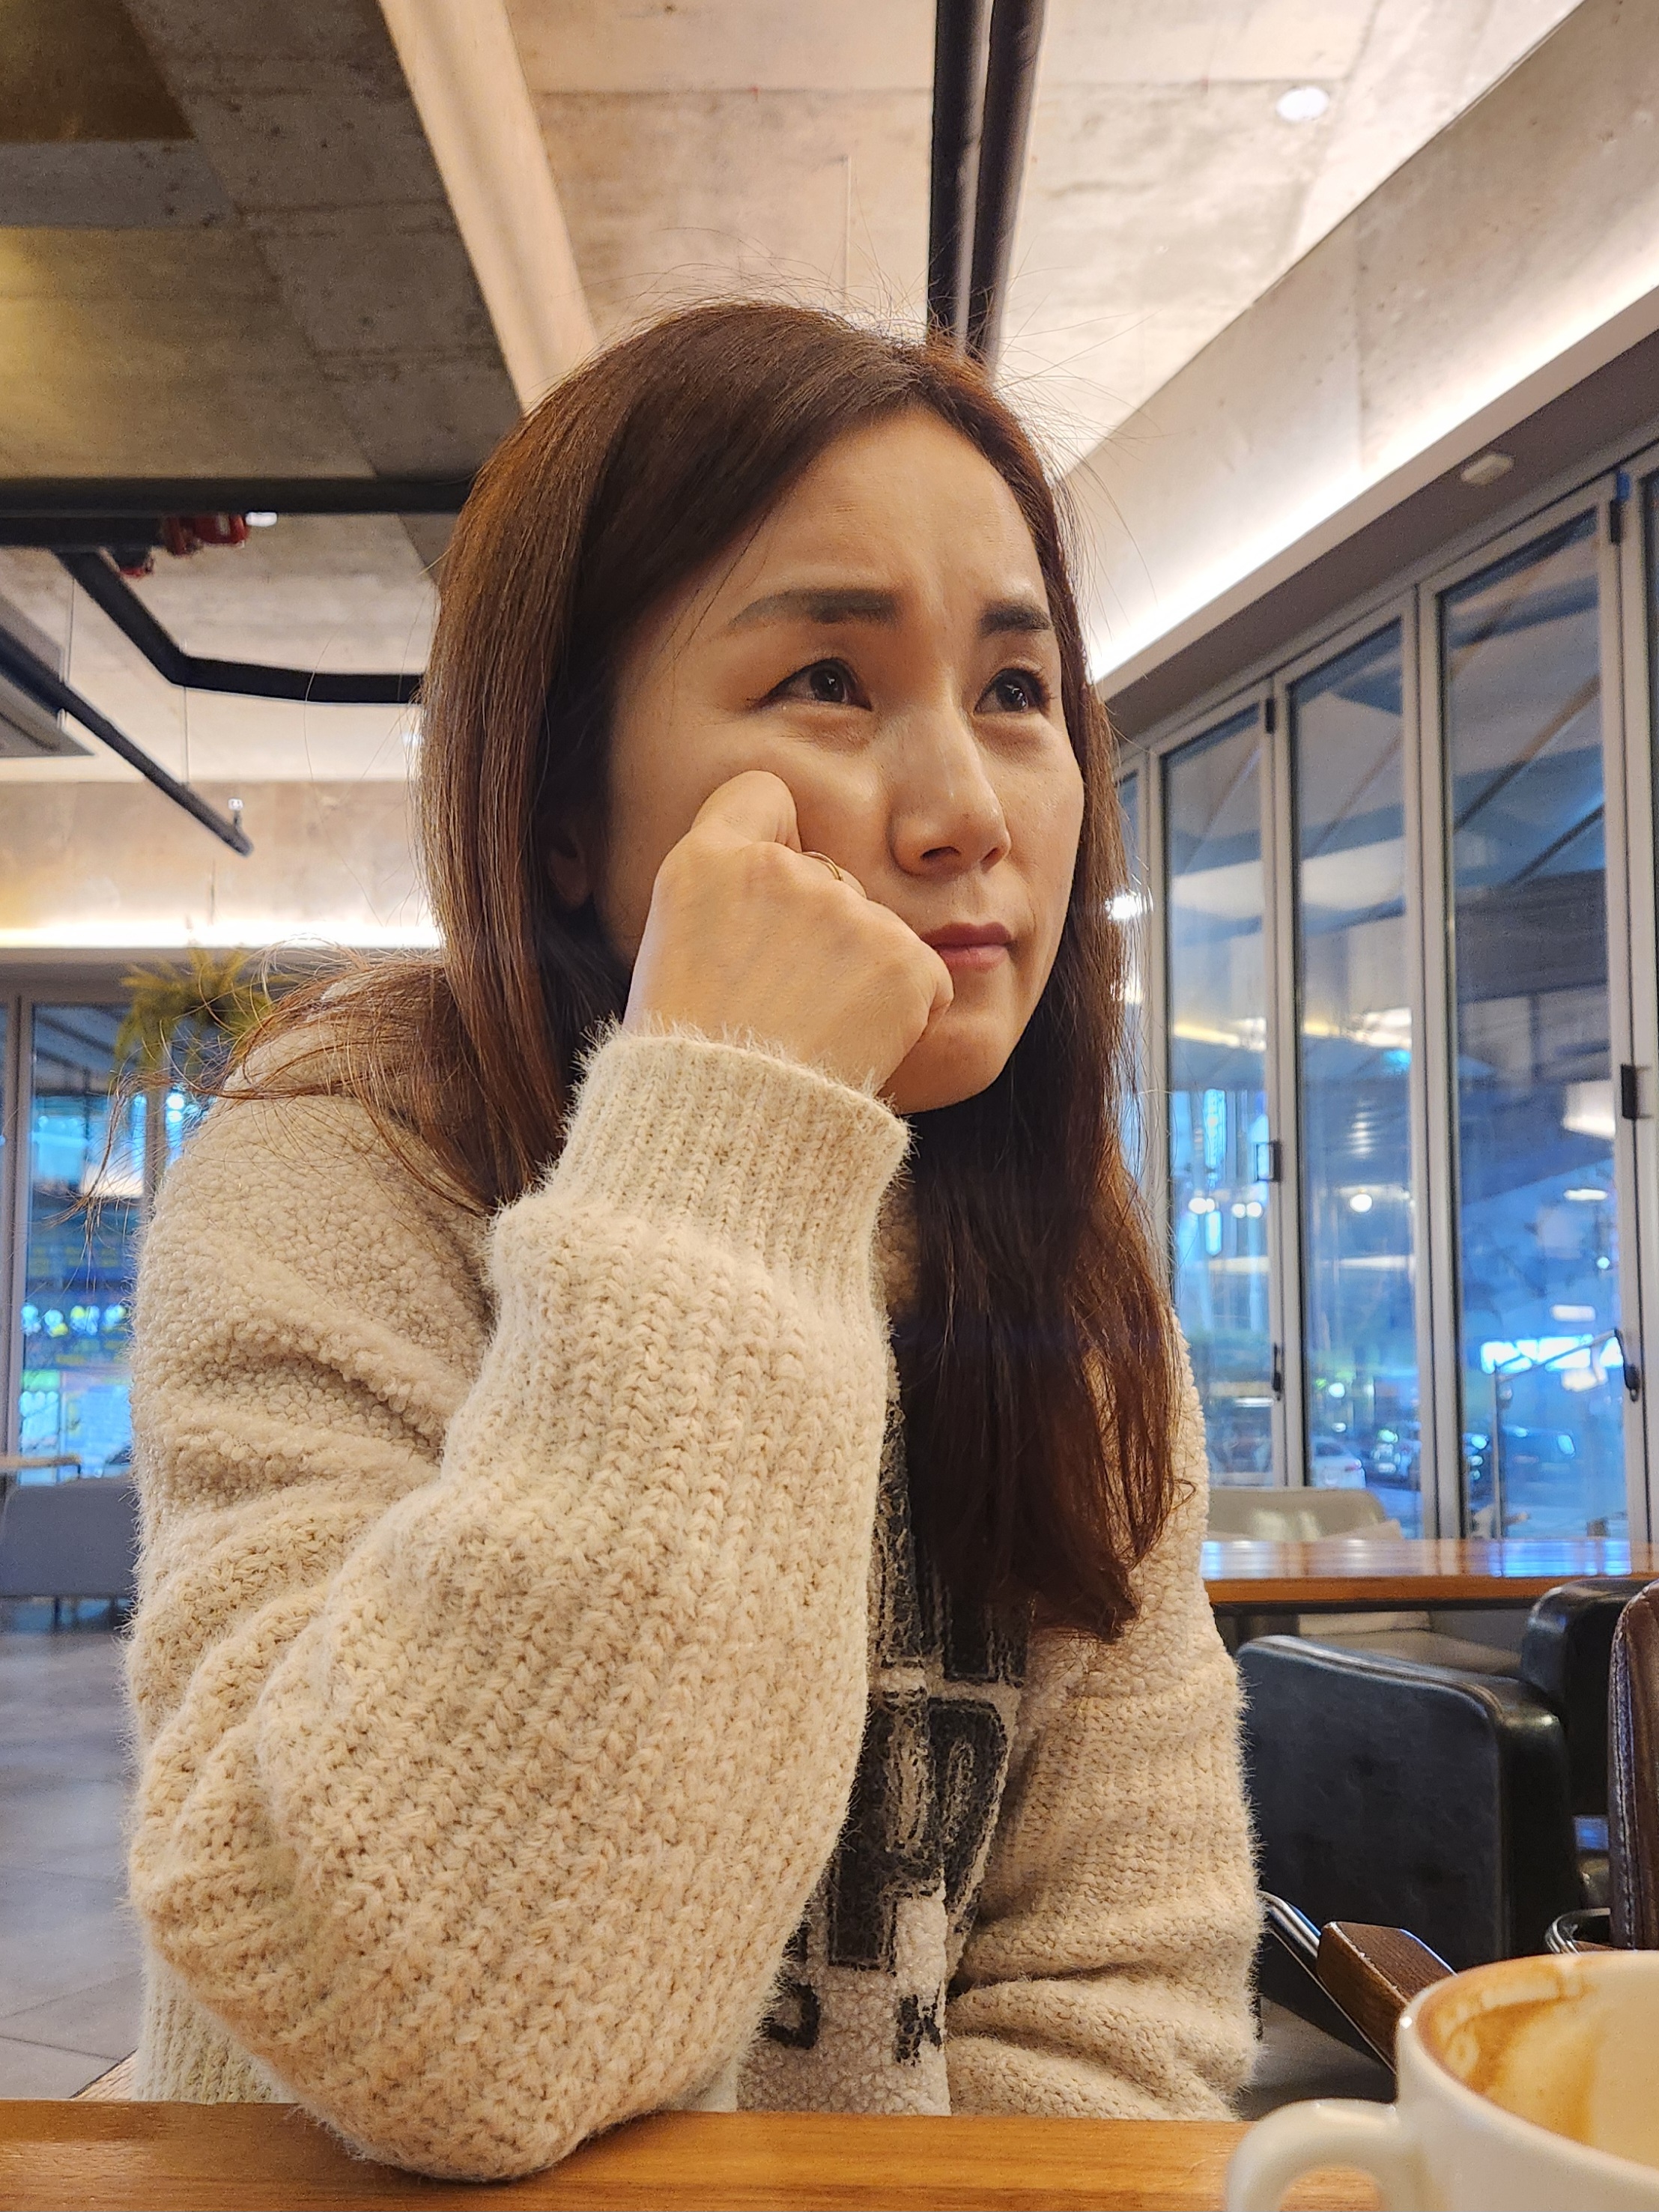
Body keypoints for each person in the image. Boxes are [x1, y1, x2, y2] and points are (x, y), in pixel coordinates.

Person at [125, 302, 1257, 2180]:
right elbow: (443, 2029)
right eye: (826, 677)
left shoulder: (1065, 1273)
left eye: (1015, 691)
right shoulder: (341, 1167)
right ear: (565, 812)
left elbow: (1112, 2004)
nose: (965, 811)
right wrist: (733, 1122)